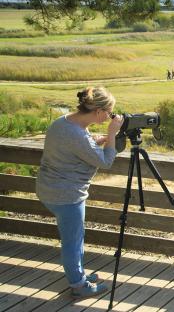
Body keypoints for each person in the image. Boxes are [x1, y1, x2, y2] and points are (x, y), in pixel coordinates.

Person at [36, 86, 124, 299]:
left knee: (74, 236)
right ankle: (78, 284)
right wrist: (112, 134)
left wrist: (96, 140)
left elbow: (74, 143)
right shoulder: (77, 134)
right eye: (109, 113)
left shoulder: (63, 122)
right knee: (73, 241)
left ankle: (79, 275)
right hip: (66, 195)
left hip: (48, 188)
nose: (109, 117)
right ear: (98, 112)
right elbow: (105, 162)